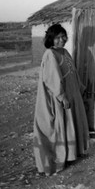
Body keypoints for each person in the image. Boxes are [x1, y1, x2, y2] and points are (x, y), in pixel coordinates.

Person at [33, 23, 90, 175]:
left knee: (70, 123)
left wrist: (81, 89)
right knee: (60, 125)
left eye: (63, 36)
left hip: (72, 93)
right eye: (57, 37)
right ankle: (58, 159)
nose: (62, 40)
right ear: (51, 39)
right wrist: (62, 96)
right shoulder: (50, 54)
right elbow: (52, 78)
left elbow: (73, 73)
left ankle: (71, 154)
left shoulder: (64, 52)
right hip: (59, 96)